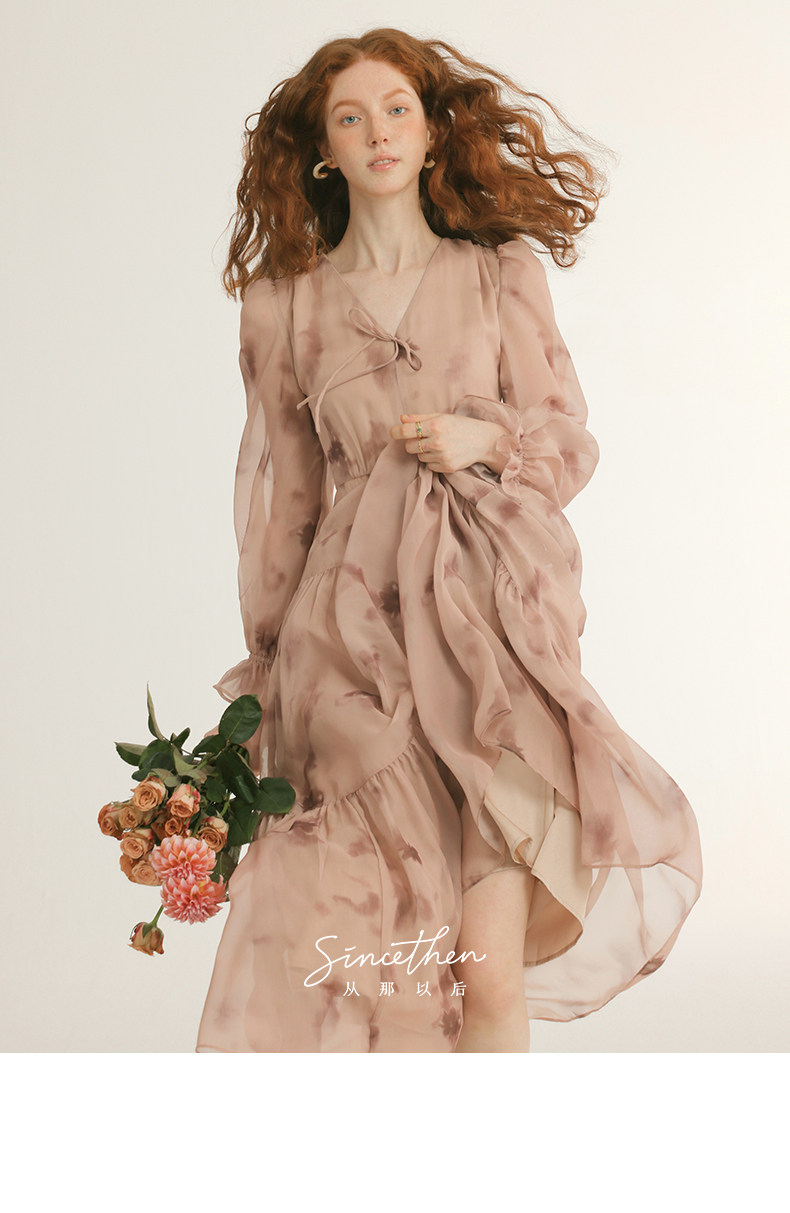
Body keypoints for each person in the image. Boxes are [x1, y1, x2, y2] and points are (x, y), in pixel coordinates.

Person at [195, 27, 702, 1053]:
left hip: (487, 644)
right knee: (382, 968)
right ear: (323, 152)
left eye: (397, 110)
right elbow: (284, 510)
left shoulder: (499, 273)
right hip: (351, 658)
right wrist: (264, 681)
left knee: (488, 969)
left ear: (430, 134)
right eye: (350, 117)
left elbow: (568, 438)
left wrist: (490, 439)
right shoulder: (282, 308)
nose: (378, 131)